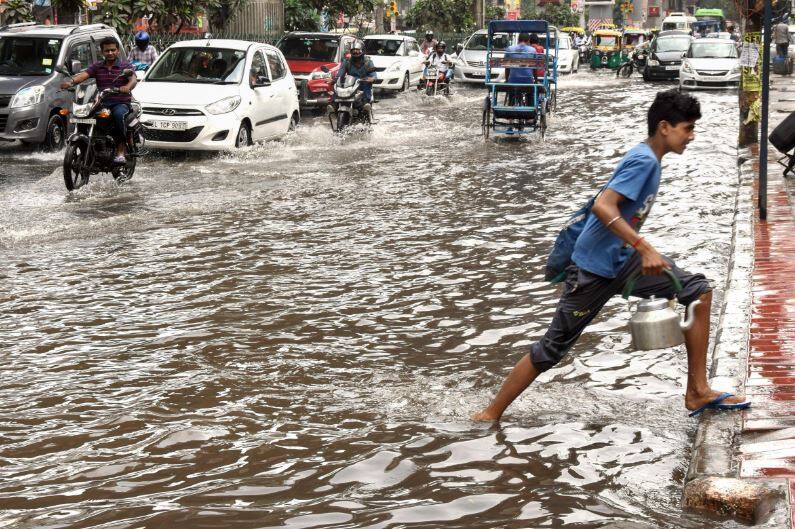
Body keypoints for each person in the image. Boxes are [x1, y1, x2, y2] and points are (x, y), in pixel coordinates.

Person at [472, 90, 751, 423]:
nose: (691, 137)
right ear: (664, 126)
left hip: (621, 261)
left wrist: (639, 251)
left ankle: (697, 391)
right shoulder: (644, 160)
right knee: (551, 350)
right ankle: (489, 414)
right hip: (592, 270)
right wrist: (645, 247)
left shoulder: (651, 159)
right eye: (687, 128)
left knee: (697, 290)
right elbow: (604, 206)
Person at [60, 37, 136, 164]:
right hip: (102, 103)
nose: (110, 53)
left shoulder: (125, 66)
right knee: (85, 115)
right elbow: (84, 76)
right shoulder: (97, 66)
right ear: (102, 52)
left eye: (113, 50)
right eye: (107, 51)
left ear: (117, 51)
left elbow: (133, 79)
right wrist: (71, 82)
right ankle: (89, 148)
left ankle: (120, 151)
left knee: (118, 115)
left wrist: (127, 87)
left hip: (120, 103)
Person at [335, 42, 376, 118]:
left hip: (363, 85)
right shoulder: (347, 61)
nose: (355, 52)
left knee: (366, 97)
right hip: (351, 85)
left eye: (358, 50)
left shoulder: (368, 61)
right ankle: (334, 108)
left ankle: (366, 110)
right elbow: (340, 74)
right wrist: (335, 80)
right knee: (337, 91)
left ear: (362, 51)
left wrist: (372, 78)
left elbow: (373, 74)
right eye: (353, 50)